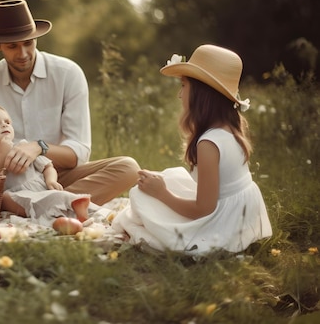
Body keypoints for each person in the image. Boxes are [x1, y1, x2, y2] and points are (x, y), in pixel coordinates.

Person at [0, 0, 139, 206]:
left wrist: (39, 148)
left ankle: (34, 204)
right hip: (3, 180)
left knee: (128, 168)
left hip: (55, 176)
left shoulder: (68, 73)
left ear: (36, 38)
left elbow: (79, 152)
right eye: (12, 46)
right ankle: (59, 205)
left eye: (28, 43)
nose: (23, 54)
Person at [111, 44, 273, 255]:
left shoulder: (208, 144)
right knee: (171, 176)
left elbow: (204, 209)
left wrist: (162, 194)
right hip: (239, 215)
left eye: (183, 85)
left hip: (223, 226)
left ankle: (142, 229)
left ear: (201, 93)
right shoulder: (230, 129)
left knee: (142, 196)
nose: (180, 94)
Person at [0, 104, 91, 224]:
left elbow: (48, 166)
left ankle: (79, 208)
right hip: (16, 197)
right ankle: (64, 213)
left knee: (57, 196)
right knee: (5, 198)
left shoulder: (23, 147)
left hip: (41, 190)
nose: (4, 124)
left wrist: (51, 181)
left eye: (7, 121)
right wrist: (3, 153)